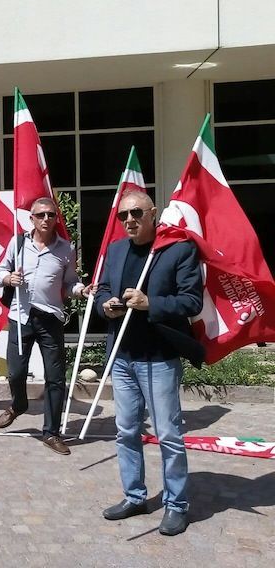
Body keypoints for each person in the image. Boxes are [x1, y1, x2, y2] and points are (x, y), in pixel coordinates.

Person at [94, 191, 202, 537]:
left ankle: (176, 505)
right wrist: (105, 306)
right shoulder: (115, 250)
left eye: (137, 213)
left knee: (168, 434)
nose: (129, 220)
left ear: (153, 214)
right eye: (124, 215)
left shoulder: (177, 249)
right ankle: (135, 496)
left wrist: (149, 302)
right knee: (126, 431)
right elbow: (102, 291)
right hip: (123, 357)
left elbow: (191, 300)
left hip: (158, 358)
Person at [0, 197, 89, 455]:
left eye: (51, 215)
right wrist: (8, 278)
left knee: (55, 378)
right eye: (41, 215)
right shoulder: (18, 243)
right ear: (31, 219)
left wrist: (81, 290)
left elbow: (70, 283)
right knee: (15, 373)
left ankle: (51, 433)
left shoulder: (66, 249)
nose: (46, 219)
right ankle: (19, 405)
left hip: (50, 319)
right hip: (21, 316)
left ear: (56, 218)